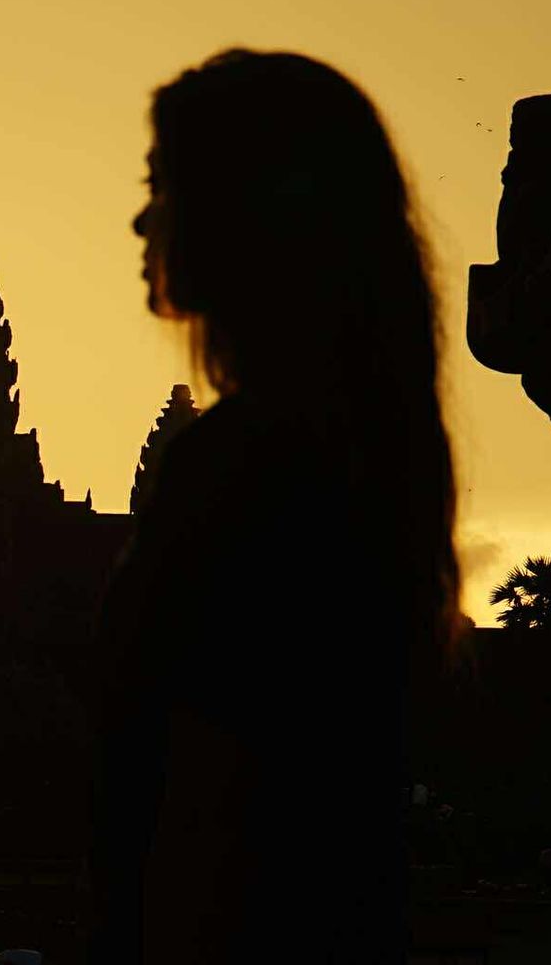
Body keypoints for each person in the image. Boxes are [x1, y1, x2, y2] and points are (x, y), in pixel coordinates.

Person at [89, 50, 460, 961]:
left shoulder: (243, 470)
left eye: (163, 184)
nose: (143, 216)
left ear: (244, 212)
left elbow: (207, 800)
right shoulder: (362, 460)